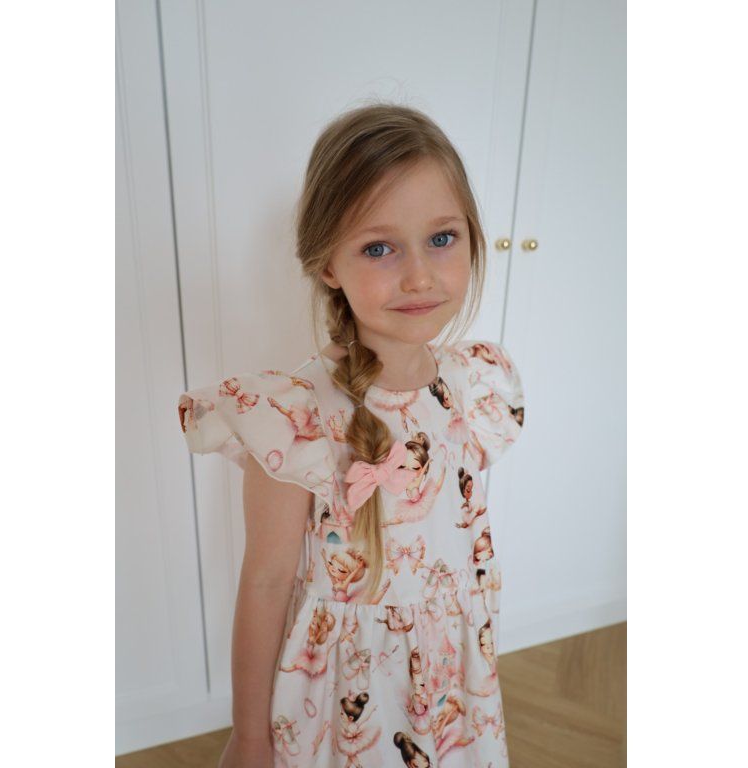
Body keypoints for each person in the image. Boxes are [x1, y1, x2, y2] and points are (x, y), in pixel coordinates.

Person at [177, 102, 524, 768]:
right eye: (379, 248)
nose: (419, 275)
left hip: (452, 688)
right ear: (327, 263)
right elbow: (266, 584)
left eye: (442, 238)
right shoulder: (295, 419)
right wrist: (249, 737)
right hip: (340, 701)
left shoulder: (476, 388)